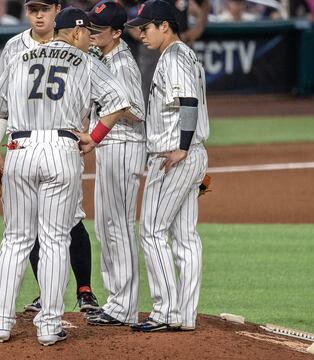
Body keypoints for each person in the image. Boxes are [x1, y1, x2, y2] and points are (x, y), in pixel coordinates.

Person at [0, 7, 131, 346]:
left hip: (19, 148)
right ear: (78, 33)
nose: (89, 39)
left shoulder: (20, 56)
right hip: (61, 149)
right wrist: (94, 137)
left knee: (15, 239)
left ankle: (1, 322)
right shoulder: (86, 61)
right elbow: (120, 102)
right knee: (54, 239)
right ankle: (49, 325)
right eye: (87, 33)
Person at [124, 0, 209, 332]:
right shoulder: (187, 53)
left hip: (175, 155)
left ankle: (164, 311)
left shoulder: (173, 57)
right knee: (185, 236)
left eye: (145, 27)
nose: (140, 33)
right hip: (191, 153)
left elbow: (188, 100)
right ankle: (184, 314)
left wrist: (182, 148)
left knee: (153, 231)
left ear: (164, 26)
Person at [81, 1, 147, 327]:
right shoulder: (103, 57)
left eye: (99, 29)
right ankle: (115, 301)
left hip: (124, 147)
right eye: (90, 27)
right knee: (106, 228)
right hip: (111, 147)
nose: (92, 33)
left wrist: (109, 112)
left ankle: (125, 305)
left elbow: (136, 111)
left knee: (119, 227)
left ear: (117, 33)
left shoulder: (121, 64)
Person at [127, 0, 208, 106]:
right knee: (148, 90)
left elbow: (204, 3)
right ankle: (147, 121)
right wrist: (139, 33)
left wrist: (199, 27)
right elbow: (122, 5)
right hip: (152, 48)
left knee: (186, 93)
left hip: (180, 41)